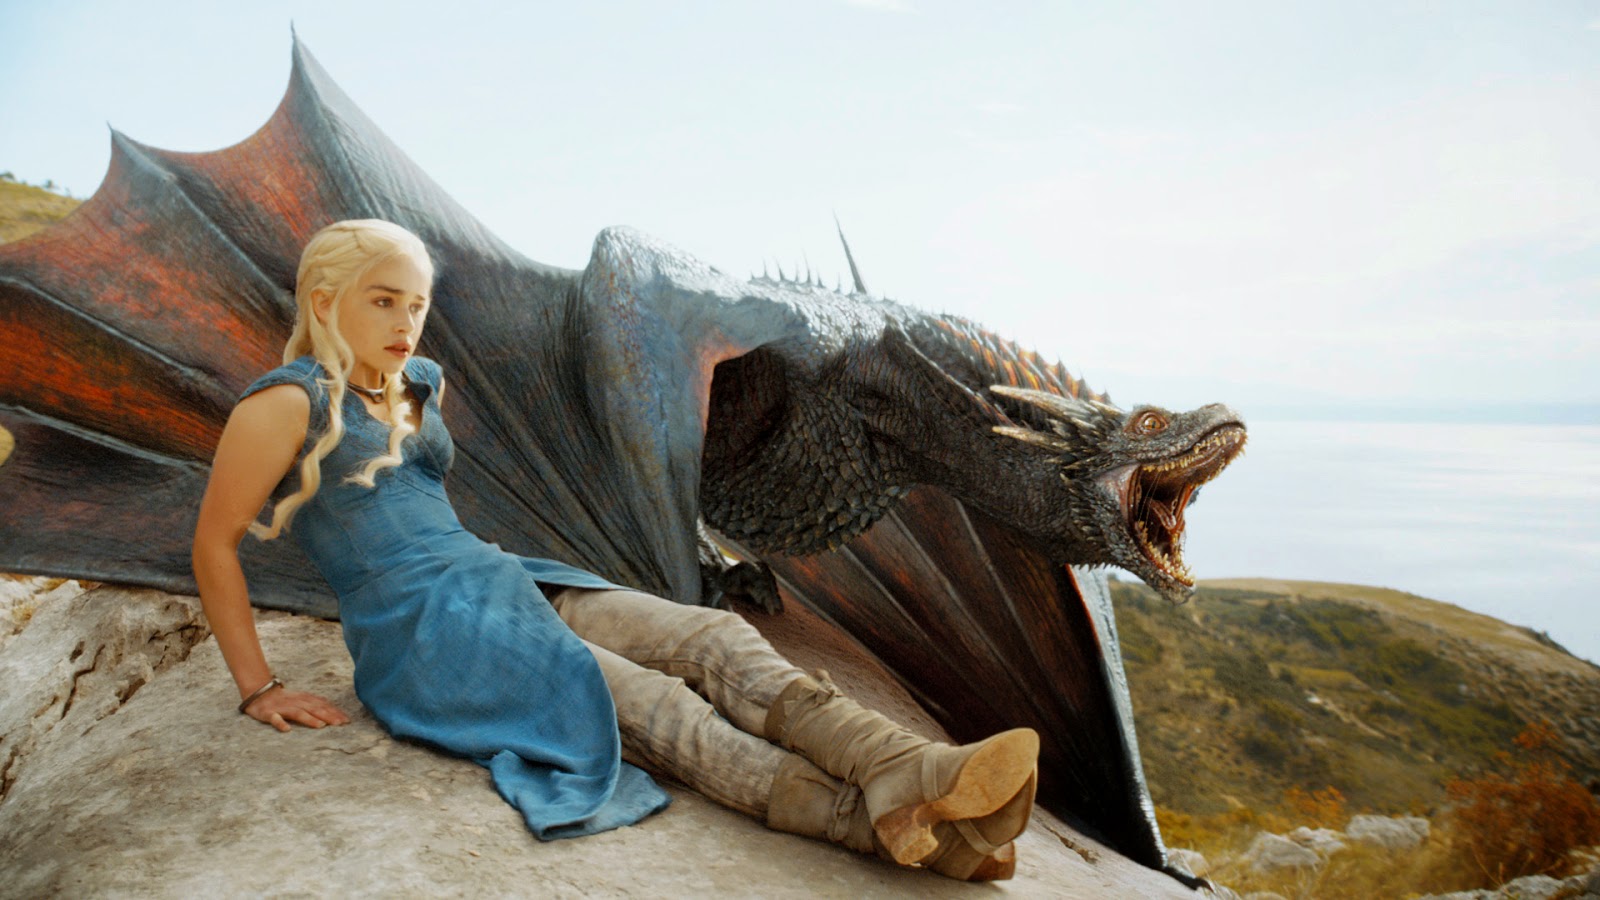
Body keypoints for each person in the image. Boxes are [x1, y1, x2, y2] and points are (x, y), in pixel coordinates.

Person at [191, 219, 1040, 880]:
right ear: (323, 301)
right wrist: (259, 687)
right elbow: (214, 546)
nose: (407, 322)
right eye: (383, 301)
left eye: (416, 303)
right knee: (647, 701)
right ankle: (880, 827)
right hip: (423, 632)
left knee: (712, 636)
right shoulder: (282, 408)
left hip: (497, 577)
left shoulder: (419, 384)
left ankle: (902, 766)